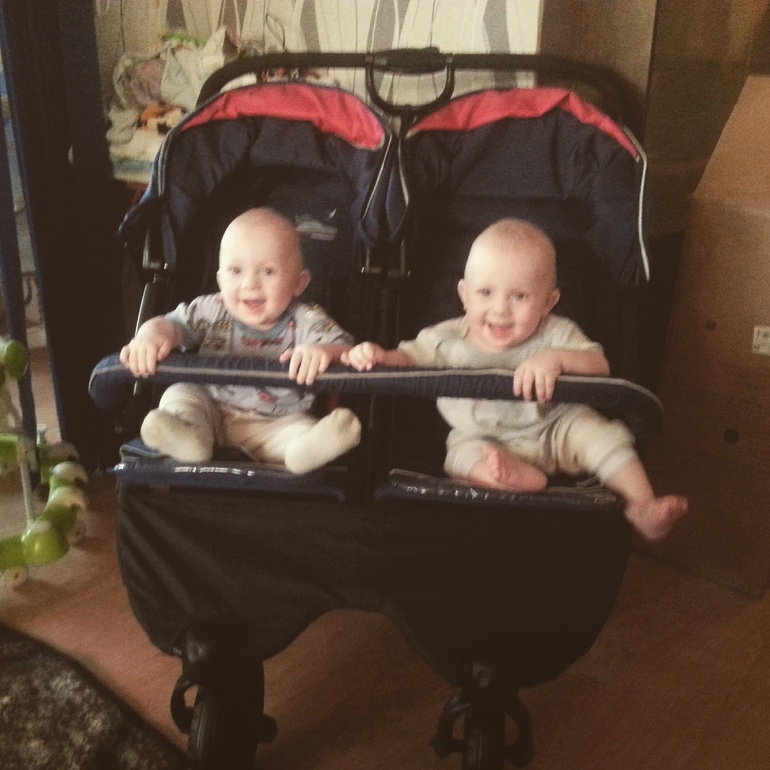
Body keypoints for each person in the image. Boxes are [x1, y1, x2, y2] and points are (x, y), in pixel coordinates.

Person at [343, 217, 687, 541]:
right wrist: (379, 356)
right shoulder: (445, 339)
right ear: (464, 295)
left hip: (555, 429)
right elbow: (407, 359)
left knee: (601, 436)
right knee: (459, 458)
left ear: (549, 302)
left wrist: (556, 359)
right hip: (480, 437)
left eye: (520, 296)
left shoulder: (556, 333)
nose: (501, 309)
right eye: (485, 293)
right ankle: (512, 477)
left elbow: (600, 365)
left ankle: (642, 507)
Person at [120, 207, 361, 474]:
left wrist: (324, 351)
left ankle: (303, 451)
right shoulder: (212, 309)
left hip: (274, 421)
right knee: (179, 393)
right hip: (207, 408)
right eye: (235, 270)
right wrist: (150, 336)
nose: (250, 284)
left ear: (298, 283)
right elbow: (172, 324)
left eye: (267, 271)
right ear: (220, 279)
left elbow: (346, 348)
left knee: (300, 428)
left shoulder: (307, 319)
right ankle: (189, 443)